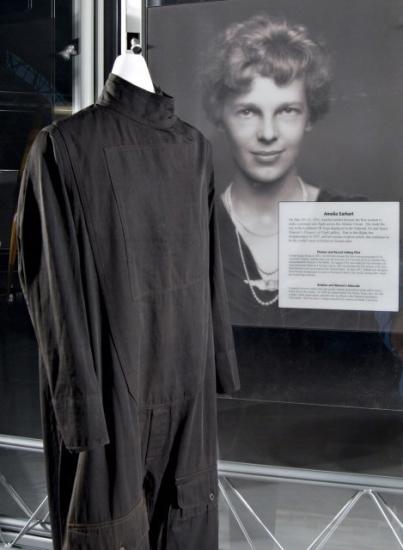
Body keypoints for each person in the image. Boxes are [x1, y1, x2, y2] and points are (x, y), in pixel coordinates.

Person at [201, 14, 401, 407]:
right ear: (221, 117)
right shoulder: (197, 226)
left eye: (287, 110)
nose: (269, 133)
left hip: (343, 448)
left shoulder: (354, 220)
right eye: (248, 111)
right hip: (227, 438)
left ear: (310, 116)